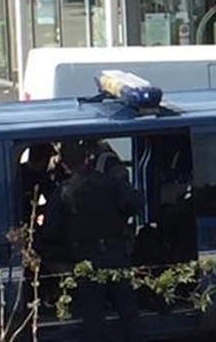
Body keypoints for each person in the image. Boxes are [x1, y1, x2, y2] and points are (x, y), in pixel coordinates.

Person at [51, 140, 143, 342]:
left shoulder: (63, 192)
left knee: (94, 319)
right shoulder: (109, 183)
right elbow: (134, 204)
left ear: (64, 164)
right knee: (129, 315)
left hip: (86, 261)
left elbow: (50, 233)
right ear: (88, 159)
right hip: (116, 255)